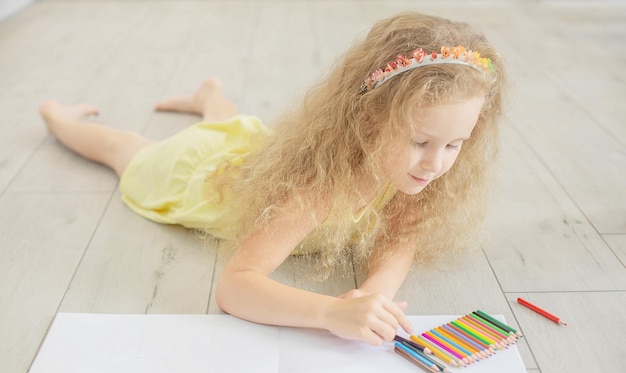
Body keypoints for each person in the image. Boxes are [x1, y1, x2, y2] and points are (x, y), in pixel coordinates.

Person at [38, 11, 505, 346]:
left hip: (244, 156)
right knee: (126, 150)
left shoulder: (409, 170)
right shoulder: (320, 186)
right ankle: (57, 117)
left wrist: (375, 294)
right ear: (367, 121)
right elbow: (236, 286)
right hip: (200, 179)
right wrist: (330, 312)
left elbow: (401, 235)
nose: (436, 164)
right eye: (421, 142)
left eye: (454, 144)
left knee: (225, 128)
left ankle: (210, 96)